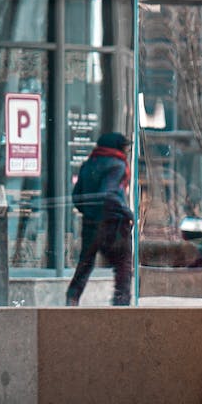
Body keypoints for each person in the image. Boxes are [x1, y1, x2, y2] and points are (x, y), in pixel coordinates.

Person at [67, 131, 134, 307]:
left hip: (91, 223)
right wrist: (127, 213)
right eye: (125, 147)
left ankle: (72, 298)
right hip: (114, 224)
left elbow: (77, 196)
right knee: (123, 266)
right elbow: (108, 193)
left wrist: (90, 212)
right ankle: (121, 304)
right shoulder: (117, 164)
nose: (127, 151)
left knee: (85, 263)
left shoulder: (88, 164)